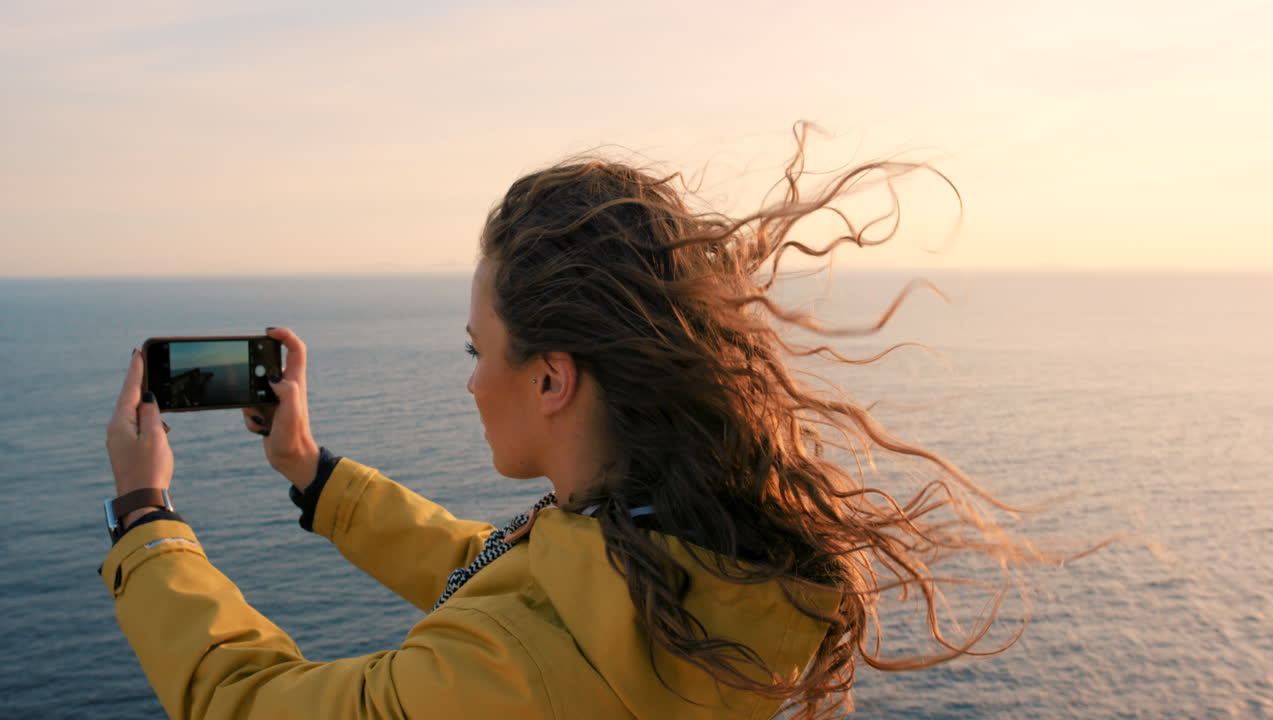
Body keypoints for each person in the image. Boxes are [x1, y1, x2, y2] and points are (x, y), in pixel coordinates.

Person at [102, 129, 1032, 719]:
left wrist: (146, 516)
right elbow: (491, 567)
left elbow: (249, 701)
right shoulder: (683, 565)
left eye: (478, 350)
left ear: (552, 378)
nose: (469, 384)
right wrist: (312, 472)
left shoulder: (510, 676)